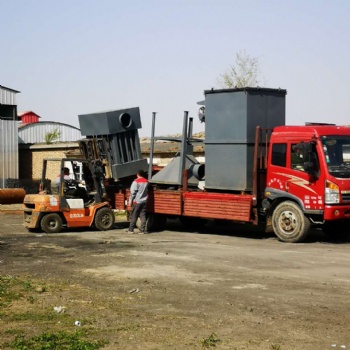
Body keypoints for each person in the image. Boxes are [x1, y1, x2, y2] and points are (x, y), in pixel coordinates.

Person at [126, 169, 149, 234]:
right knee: (143, 216)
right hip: (144, 201)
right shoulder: (146, 181)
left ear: (137, 174)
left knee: (134, 215)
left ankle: (131, 230)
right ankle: (142, 230)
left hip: (137, 201)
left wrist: (130, 201)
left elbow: (133, 193)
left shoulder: (135, 182)